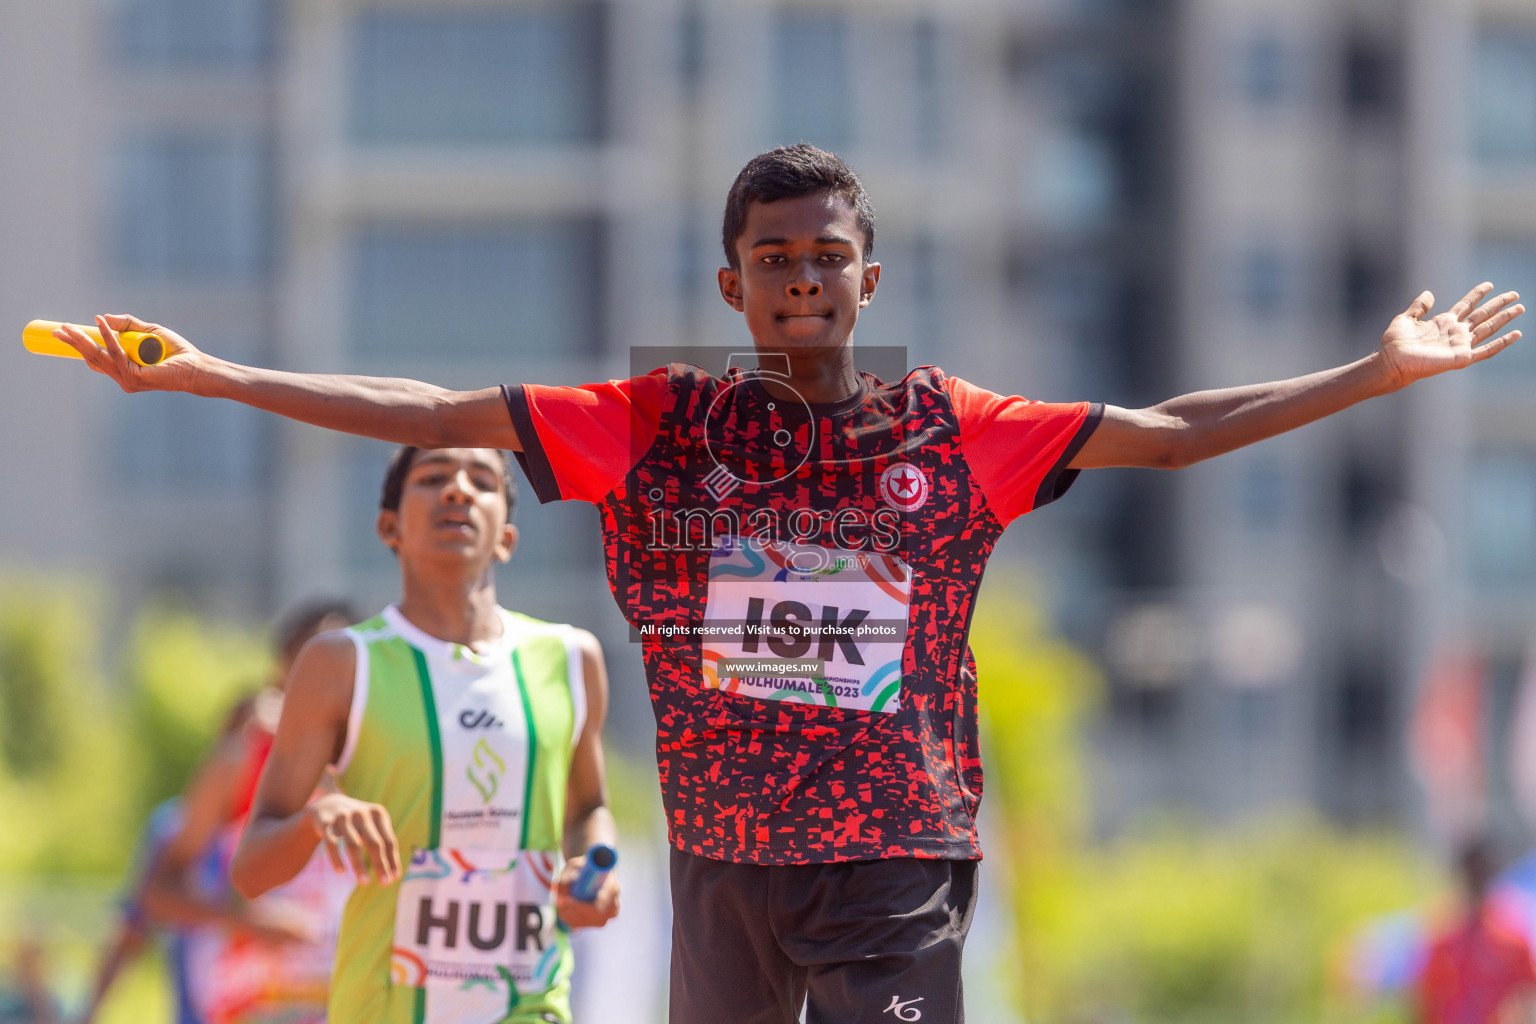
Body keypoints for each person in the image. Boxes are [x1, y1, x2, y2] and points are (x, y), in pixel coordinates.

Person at [55, 143, 1523, 1024]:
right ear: (731, 290)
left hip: (892, 854)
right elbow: (434, 407)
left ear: (868, 281)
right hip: (722, 863)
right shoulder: (661, 421)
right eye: (772, 259)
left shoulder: (951, 426)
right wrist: (215, 373)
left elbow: (1177, 435)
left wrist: (1374, 372)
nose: (802, 281)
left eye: (828, 258)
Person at [229, 446, 618, 1024]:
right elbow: (251, 871)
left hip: (532, 1003)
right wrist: (318, 818)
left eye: (480, 481)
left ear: (507, 538)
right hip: (384, 1006)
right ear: (390, 528)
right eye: (433, 478)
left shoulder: (570, 657)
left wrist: (593, 872)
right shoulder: (341, 664)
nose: (457, 490)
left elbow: (588, 806)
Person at [133, 600, 358, 1024]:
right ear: (282, 672)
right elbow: (157, 892)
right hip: (252, 1007)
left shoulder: (386, 764)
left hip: (348, 1005)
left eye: (344, 663)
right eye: (313, 661)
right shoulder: (243, 759)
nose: (331, 679)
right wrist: (248, 921)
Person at [1418, 839, 1536, 1024]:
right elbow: (1427, 1004)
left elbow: (1529, 998)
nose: (1475, 880)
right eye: (1471, 873)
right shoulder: (1442, 938)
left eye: (1481, 873)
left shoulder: (1511, 939)